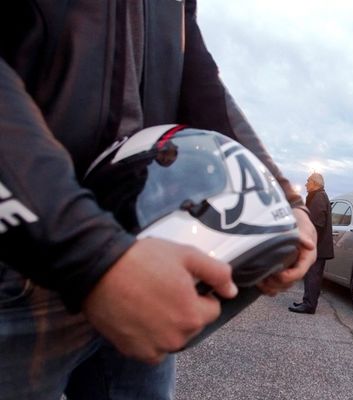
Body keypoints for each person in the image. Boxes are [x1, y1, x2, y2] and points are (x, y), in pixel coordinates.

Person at [0, 2, 316, 399]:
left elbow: (200, 82)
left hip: (142, 258)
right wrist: (92, 256)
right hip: (26, 257)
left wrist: (288, 204)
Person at [289, 173, 334, 314]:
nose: (306, 184)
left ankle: (309, 305)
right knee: (311, 275)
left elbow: (317, 224)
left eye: (308, 181)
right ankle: (307, 301)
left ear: (315, 183)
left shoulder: (319, 197)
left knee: (313, 276)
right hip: (317, 246)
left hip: (317, 246)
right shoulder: (318, 196)